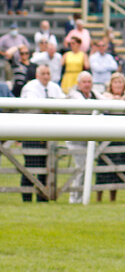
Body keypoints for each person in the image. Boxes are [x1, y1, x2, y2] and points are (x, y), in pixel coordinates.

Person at [19, 65, 64, 202]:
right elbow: (33, 107)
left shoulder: (54, 87)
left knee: (47, 165)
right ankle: (26, 197)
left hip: (49, 133)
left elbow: (63, 103)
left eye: (48, 73)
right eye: (43, 73)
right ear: (37, 75)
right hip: (32, 132)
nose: (46, 76)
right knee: (31, 166)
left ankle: (43, 197)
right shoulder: (30, 87)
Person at [66, 72, 101, 203]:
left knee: (85, 168)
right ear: (79, 84)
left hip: (88, 138)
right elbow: (86, 106)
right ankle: (75, 198)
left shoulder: (93, 94)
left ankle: (79, 197)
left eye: (89, 82)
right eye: (84, 82)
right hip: (75, 138)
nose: (87, 85)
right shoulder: (74, 95)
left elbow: (104, 100)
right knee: (81, 167)